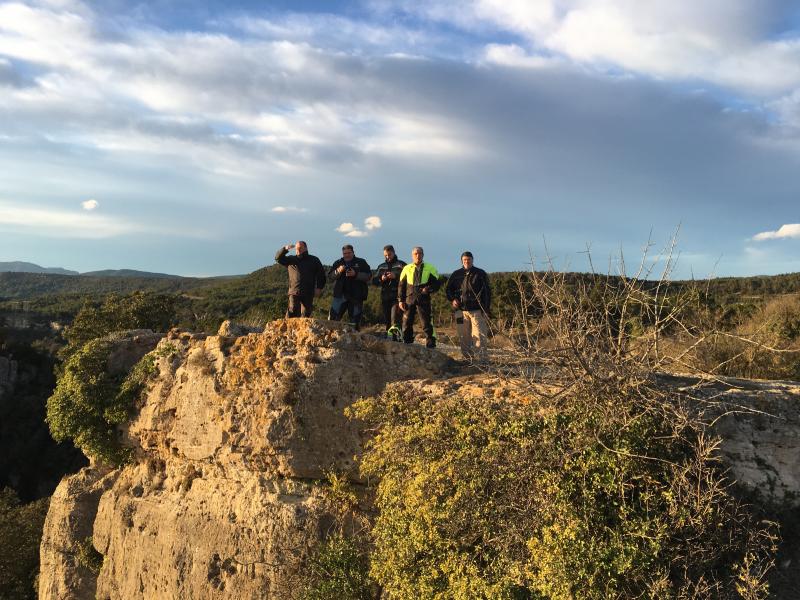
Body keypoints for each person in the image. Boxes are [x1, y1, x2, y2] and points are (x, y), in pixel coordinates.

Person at [446, 251, 491, 361]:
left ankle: (482, 360)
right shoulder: (456, 274)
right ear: (462, 261)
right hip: (460, 311)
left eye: (469, 259)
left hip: (477, 310)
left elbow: (487, 292)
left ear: (472, 260)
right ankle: (468, 360)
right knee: (463, 337)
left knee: (480, 336)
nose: (467, 261)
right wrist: (452, 299)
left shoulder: (480, 273)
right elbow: (448, 289)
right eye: (464, 260)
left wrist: (485, 309)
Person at [397, 246, 441, 348]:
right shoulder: (406, 268)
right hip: (409, 297)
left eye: (420, 253)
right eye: (415, 254)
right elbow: (401, 285)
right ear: (412, 256)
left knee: (426, 322)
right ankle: (407, 342)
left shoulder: (430, 268)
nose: (418, 255)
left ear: (423, 255)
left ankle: (430, 343)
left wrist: (428, 289)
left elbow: (437, 284)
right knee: (407, 321)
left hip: (423, 298)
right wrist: (400, 300)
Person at [275, 241, 326, 318]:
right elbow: (278, 258)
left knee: (306, 314)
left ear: (306, 248)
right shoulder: (291, 259)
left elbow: (321, 275)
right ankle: (287, 325)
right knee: (292, 311)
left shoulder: (314, 260)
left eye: (300, 248)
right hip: (295, 291)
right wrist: (285, 249)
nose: (298, 250)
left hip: (308, 292)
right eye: (296, 248)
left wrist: (319, 288)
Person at [328, 244, 371, 330]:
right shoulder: (338, 263)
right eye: (345, 253)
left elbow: (369, 276)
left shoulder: (361, 262)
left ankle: (355, 337)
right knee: (333, 320)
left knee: (354, 322)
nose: (347, 255)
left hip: (356, 296)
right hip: (340, 296)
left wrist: (356, 274)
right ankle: (332, 336)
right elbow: (330, 277)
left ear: (353, 252)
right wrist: (338, 271)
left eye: (349, 253)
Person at [372, 244, 406, 341]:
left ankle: (397, 340)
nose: (387, 257)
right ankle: (389, 340)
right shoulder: (381, 266)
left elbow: (408, 280)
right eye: (385, 255)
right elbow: (374, 281)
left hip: (398, 297)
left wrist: (396, 277)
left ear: (394, 253)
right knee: (387, 320)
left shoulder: (402, 265)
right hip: (385, 297)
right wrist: (381, 278)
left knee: (395, 319)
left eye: (389, 255)